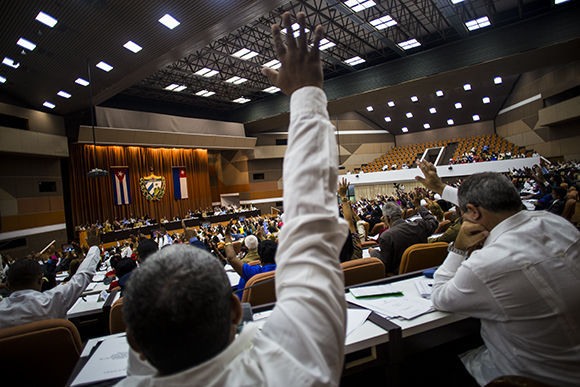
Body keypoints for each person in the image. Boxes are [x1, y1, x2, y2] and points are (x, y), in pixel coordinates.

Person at [117, 12, 348, 386]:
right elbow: (311, 229)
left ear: (134, 344)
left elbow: (310, 233)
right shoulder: (289, 371)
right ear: (235, 310)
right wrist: (307, 93)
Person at [415, 160, 580, 386]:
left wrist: (459, 247)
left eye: (465, 211)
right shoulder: (557, 224)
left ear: (472, 212)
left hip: (524, 376)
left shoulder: (485, 264)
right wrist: (441, 188)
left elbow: (440, 296)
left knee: (425, 364)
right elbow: (483, 208)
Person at [0, 227, 101, 329]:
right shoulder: (52, 301)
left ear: (7, 285)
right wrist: (93, 247)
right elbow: (83, 275)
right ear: (41, 280)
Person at [369, 194, 438, 274]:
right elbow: (433, 221)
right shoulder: (420, 225)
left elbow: (385, 265)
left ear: (387, 218)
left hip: (401, 276)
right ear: (401, 214)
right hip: (424, 270)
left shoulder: (386, 236)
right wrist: (419, 206)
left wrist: (373, 252)